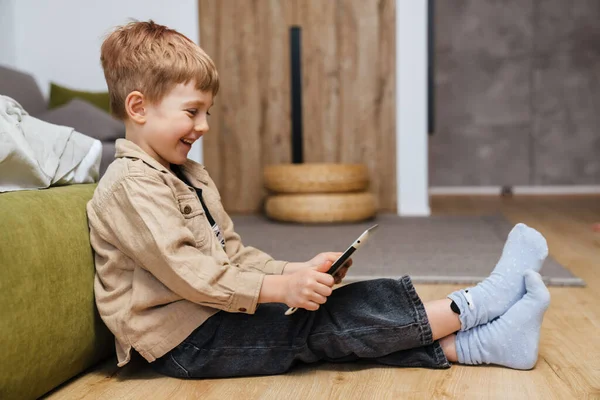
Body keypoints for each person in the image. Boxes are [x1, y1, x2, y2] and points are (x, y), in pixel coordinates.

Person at [87, 20, 551, 379]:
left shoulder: (188, 175)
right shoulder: (130, 184)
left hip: (213, 317)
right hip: (183, 345)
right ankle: (474, 305)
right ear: (138, 107)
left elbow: (232, 256)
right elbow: (192, 274)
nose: (204, 126)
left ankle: (480, 345)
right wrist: (277, 291)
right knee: (312, 326)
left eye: (208, 112)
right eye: (192, 112)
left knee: (328, 316)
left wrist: (295, 272)